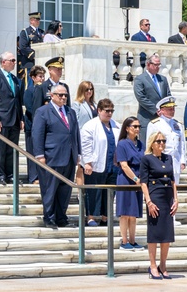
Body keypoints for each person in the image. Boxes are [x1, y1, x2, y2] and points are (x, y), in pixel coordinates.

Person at [33, 82, 80, 228]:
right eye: (60, 95)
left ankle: (61, 217)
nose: (63, 97)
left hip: (69, 157)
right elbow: (37, 134)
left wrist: (78, 153)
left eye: (65, 95)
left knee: (65, 190)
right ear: (52, 95)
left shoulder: (70, 112)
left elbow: (75, 133)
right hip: (52, 156)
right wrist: (39, 154)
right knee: (50, 189)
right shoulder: (43, 111)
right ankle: (49, 217)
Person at [140, 130, 178, 279]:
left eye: (163, 141)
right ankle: (153, 265)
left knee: (167, 233)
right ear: (152, 143)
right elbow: (143, 182)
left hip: (168, 195)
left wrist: (176, 199)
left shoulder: (168, 158)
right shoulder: (147, 159)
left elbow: (173, 180)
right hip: (155, 196)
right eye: (159, 141)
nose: (162, 144)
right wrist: (148, 201)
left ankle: (163, 264)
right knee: (155, 233)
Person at [79, 98, 118, 226]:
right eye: (107, 111)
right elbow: (85, 145)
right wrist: (88, 162)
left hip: (112, 165)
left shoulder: (116, 125)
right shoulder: (90, 126)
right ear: (99, 110)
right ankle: (91, 217)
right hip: (95, 165)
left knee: (109, 192)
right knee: (93, 192)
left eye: (111, 111)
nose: (109, 113)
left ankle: (105, 217)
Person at [0, 52, 23, 185]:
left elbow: (18, 100)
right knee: (1, 149)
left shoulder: (15, 79)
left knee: (12, 148)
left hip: (14, 118)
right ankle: (0, 174)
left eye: (14, 60)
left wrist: (21, 118)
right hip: (1, 119)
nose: (14, 62)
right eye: (11, 60)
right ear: (3, 62)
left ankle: (11, 173)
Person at [114, 117, 144, 250]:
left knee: (133, 213)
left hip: (138, 178)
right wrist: (136, 180)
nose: (137, 129)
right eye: (134, 126)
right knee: (125, 212)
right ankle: (124, 240)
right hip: (126, 179)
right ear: (127, 128)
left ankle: (132, 240)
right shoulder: (122, 144)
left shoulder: (141, 144)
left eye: (138, 126)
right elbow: (124, 165)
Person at [133, 54, 170, 148]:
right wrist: (155, 109)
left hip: (161, 118)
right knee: (146, 146)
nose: (157, 67)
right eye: (155, 65)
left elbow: (168, 96)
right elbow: (141, 97)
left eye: (159, 65)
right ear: (148, 64)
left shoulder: (163, 79)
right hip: (147, 118)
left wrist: (166, 109)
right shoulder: (140, 79)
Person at [148, 96, 186, 185]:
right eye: (169, 109)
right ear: (162, 110)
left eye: (173, 108)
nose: (172, 111)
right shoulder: (154, 124)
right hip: (160, 161)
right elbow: (149, 145)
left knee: (175, 188)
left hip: (175, 162)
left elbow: (182, 144)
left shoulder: (178, 125)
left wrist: (182, 160)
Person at [22, 65, 46, 184]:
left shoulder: (45, 90)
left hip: (43, 126)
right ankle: (33, 176)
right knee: (31, 151)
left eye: (43, 76)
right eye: (40, 76)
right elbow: (30, 107)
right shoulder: (29, 91)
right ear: (33, 78)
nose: (42, 79)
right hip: (31, 125)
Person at [16, 11, 44, 82]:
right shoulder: (25, 32)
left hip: (39, 62)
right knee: (29, 85)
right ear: (31, 20)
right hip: (29, 63)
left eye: (39, 19)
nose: (38, 21)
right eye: (36, 19)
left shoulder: (41, 32)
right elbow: (23, 47)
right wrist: (34, 55)